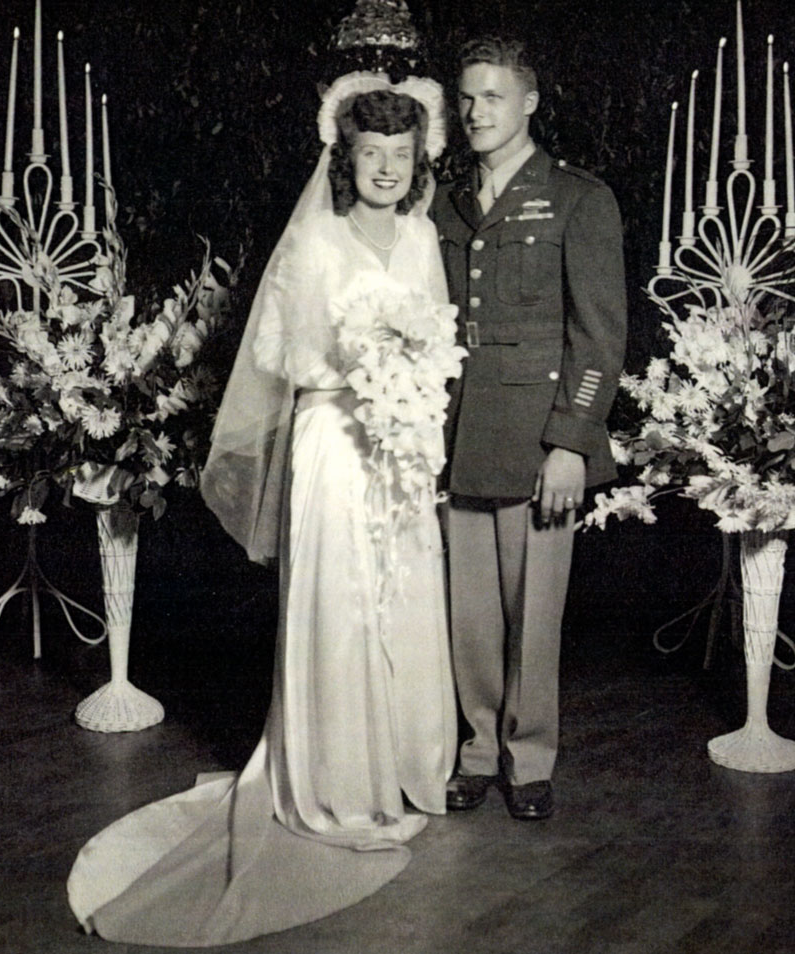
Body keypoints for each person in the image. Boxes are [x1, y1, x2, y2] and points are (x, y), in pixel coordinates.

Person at [67, 72, 458, 947]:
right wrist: (361, 367)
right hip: (333, 443)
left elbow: (437, 333)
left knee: (403, 597)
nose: (386, 171)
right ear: (344, 161)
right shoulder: (315, 243)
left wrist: (413, 385)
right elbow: (285, 355)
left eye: (401, 156)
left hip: (401, 450)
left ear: (417, 163)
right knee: (337, 605)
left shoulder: (426, 238)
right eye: (371, 156)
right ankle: (333, 780)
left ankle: (404, 765)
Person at [433, 36, 627, 821]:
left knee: (533, 612)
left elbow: (601, 334)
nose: (477, 113)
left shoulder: (578, 199)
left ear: (530, 105)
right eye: (468, 98)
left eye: (494, 98)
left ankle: (530, 757)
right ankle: (476, 750)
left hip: (535, 436)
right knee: (468, 613)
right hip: (456, 431)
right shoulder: (444, 201)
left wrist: (570, 443)